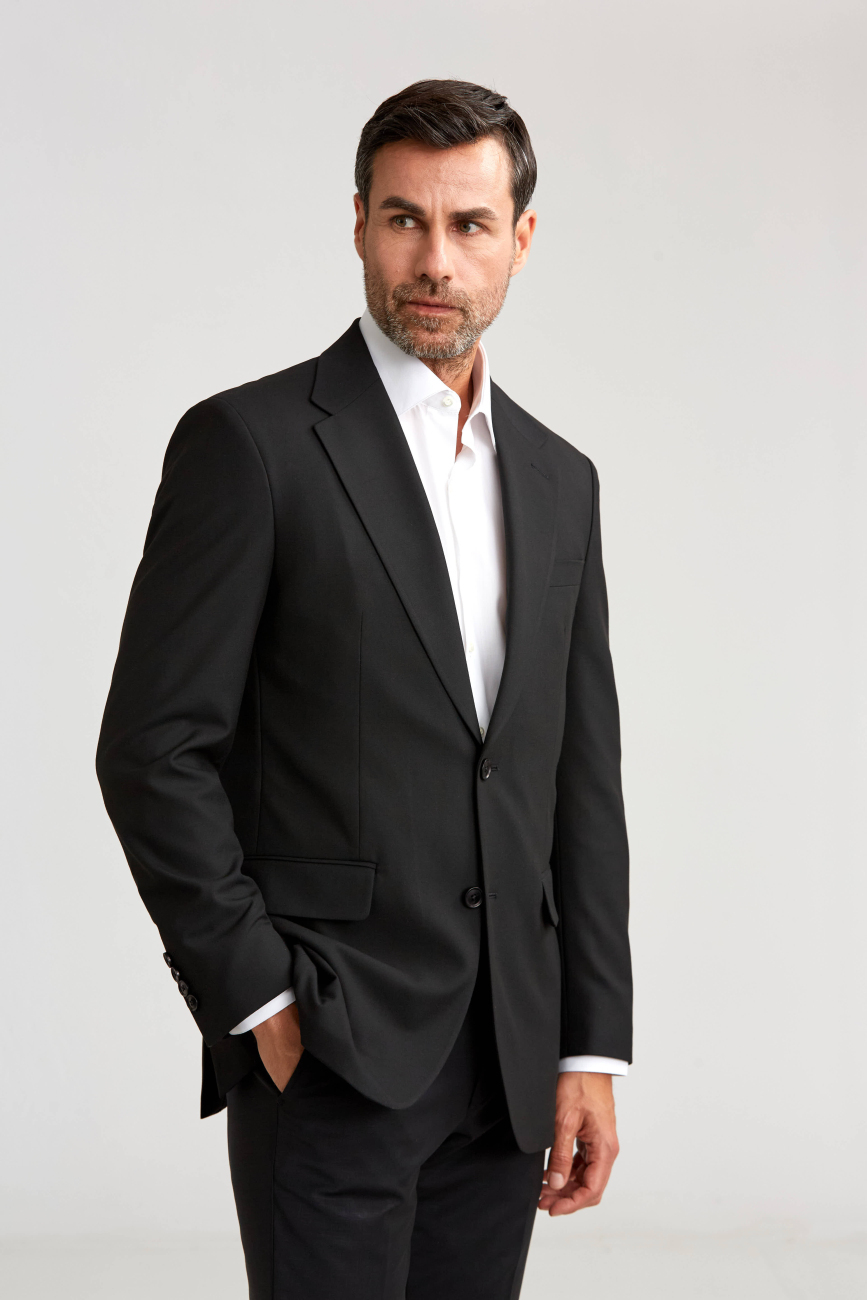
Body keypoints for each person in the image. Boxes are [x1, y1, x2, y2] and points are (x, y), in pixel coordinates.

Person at [96, 79, 632, 1300]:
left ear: (521, 239)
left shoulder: (563, 482)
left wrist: (589, 1045)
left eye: (469, 224)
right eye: (404, 220)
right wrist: (258, 998)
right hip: (331, 1048)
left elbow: (578, 780)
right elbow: (151, 749)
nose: (434, 260)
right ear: (357, 224)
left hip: (510, 1063)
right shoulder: (252, 446)